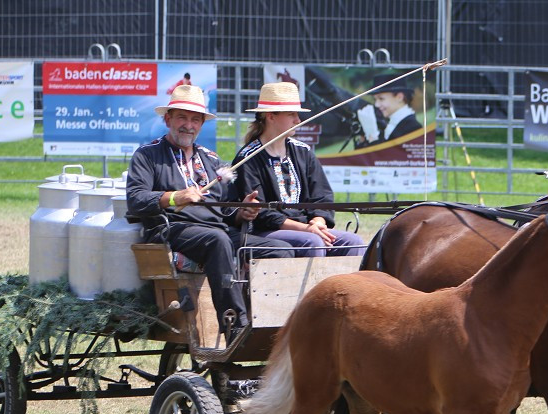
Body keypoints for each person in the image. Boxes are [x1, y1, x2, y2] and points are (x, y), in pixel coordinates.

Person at [126, 84, 298, 344]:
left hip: (218, 231)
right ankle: (235, 328)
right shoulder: (147, 155)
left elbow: (228, 211)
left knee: (280, 250)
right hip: (172, 229)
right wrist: (175, 197)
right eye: (182, 117)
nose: (188, 125)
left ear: (201, 124)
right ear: (168, 119)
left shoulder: (211, 160)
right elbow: (136, 199)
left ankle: (273, 327)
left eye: (195, 119)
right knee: (217, 241)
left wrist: (244, 211)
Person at [232, 81, 365, 257]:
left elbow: (322, 197)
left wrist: (318, 222)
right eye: (291, 114)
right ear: (270, 116)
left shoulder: (303, 152)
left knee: (353, 242)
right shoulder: (248, 158)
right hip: (267, 232)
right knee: (313, 242)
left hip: (308, 228)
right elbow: (263, 214)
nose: (298, 120)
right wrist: (307, 229)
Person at [370, 73, 422, 142]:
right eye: (375, 100)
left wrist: (373, 139)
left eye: (381, 99)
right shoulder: (389, 123)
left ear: (399, 97)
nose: (376, 105)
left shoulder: (413, 128)